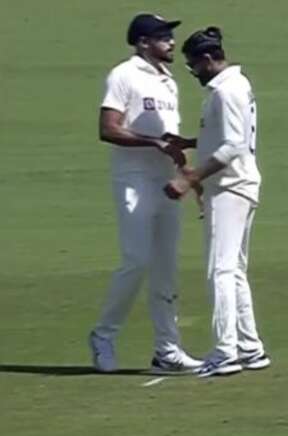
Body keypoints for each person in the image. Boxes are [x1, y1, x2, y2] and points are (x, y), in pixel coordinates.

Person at [89, 13, 202, 374]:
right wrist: (152, 143)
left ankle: (167, 350)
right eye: (162, 36)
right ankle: (103, 335)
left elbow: (169, 138)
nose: (170, 41)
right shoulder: (124, 74)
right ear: (142, 42)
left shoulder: (169, 82)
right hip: (134, 178)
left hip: (166, 180)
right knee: (136, 260)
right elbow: (108, 129)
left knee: (166, 267)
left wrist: (190, 176)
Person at [164, 26, 270, 378]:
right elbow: (223, 137)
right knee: (234, 270)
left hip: (230, 187)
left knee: (220, 270)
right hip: (237, 184)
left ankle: (226, 352)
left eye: (194, 65)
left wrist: (190, 178)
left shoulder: (227, 92)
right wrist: (191, 141)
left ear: (209, 58)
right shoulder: (230, 87)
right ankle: (251, 348)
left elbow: (232, 147)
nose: (194, 72)